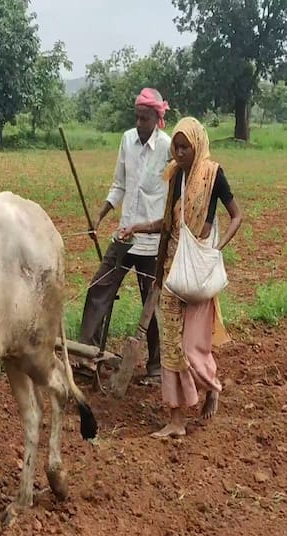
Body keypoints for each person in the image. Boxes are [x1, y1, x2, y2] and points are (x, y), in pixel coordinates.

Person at [118, 116, 243, 438]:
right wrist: (138, 227)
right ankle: (176, 420)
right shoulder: (175, 177)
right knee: (172, 345)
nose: (179, 152)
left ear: (198, 145)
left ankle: (211, 385)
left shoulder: (213, 175)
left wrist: (216, 248)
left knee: (191, 347)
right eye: (176, 146)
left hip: (198, 272)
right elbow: (170, 223)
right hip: (173, 272)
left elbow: (236, 215)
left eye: (185, 146)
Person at [79, 87, 172, 380]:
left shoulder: (168, 147)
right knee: (98, 288)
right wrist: (101, 214)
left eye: (144, 118)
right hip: (124, 236)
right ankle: (86, 355)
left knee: (152, 305)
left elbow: (172, 198)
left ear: (157, 119)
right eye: (137, 117)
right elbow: (119, 184)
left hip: (152, 241)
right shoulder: (127, 140)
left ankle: (156, 368)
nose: (139, 123)